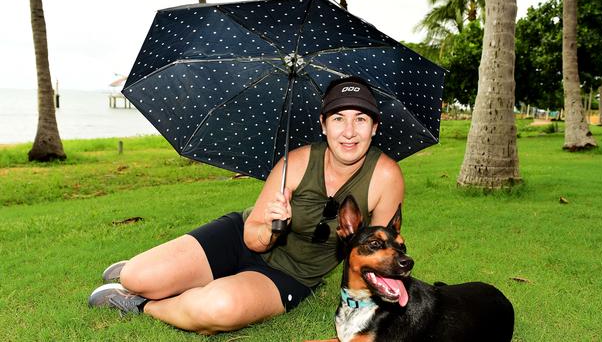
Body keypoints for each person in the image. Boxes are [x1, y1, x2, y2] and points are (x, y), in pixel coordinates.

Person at [88, 76, 404, 335]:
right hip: (242, 237)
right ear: (323, 124)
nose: (349, 132)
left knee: (217, 308)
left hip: (290, 275)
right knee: (139, 277)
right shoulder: (295, 162)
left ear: (375, 127)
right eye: (338, 119)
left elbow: (383, 256)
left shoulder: (385, 176)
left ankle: (142, 304)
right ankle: (147, 277)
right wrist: (270, 225)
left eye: (360, 119)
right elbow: (252, 237)